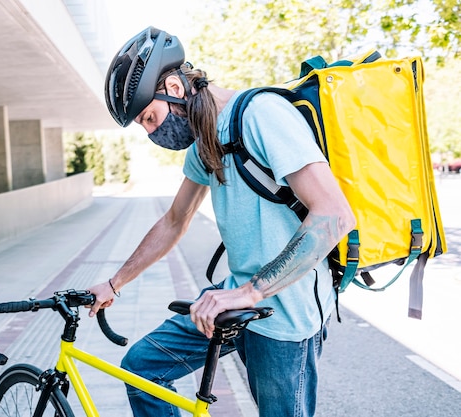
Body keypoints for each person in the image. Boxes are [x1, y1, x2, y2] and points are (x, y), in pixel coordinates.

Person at [89, 26, 356, 417]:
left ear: (175, 89)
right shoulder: (205, 141)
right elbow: (174, 220)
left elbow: (334, 215)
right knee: (143, 369)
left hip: (286, 316)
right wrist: (115, 283)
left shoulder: (262, 115)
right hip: (234, 302)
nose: (150, 132)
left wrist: (250, 292)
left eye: (149, 117)